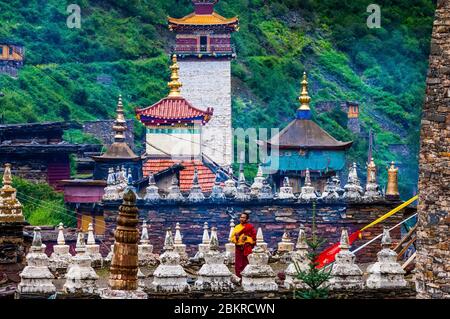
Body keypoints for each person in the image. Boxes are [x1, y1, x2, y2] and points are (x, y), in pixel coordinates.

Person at [230, 212, 257, 278]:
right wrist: (236, 237)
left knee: (246, 263)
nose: (241, 219)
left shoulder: (250, 227)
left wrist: (246, 238)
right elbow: (231, 238)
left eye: (243, 218)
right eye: (241, 217)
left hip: (246, 247)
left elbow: (253, 239)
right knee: (238, 264)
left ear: (247, 219)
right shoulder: (237, 227)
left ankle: (246, 277)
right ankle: (239, 277)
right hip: (238, 248)